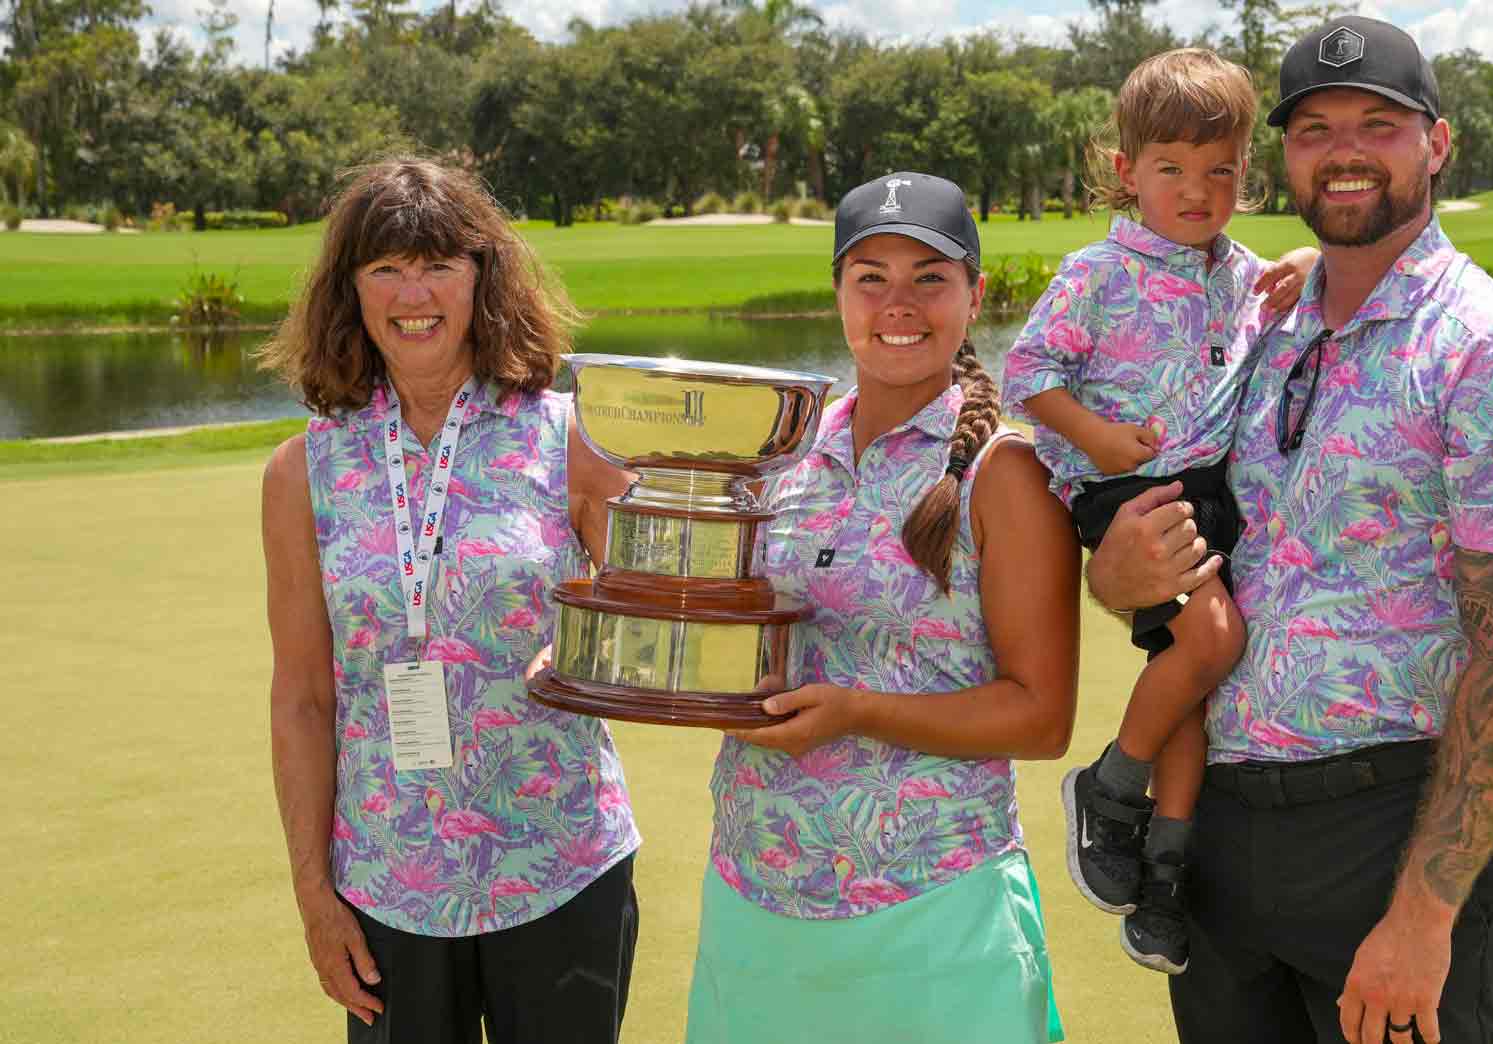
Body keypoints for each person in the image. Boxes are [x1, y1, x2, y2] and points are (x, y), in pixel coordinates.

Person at [1083, 17, 1493, 1044]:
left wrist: (1421, 916)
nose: (1345, 151)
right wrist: (1113, 579)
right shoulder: (1262, 324)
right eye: (1314, 128)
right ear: (1285, 154)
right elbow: (1170, 522)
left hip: (1390, 836)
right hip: (1223, 839)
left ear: (1436, 143)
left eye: (1378, 123)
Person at [685, 172, 1081, 1043]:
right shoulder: (783, 450)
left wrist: (857, 713)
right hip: (759, 894)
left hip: (934, 908)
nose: (898, 303)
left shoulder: (1003, 474)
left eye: (929, 278)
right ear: (838, 293)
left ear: (975, 296)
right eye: (871, 277)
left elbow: (1041, 717)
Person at [259, 158, 641, 1043]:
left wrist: (589, 641)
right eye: (385, 268)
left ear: (482, 275)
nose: (413, 292)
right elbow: (303, 695)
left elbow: (648, 608)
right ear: (350, 291)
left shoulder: (570, 435)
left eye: (438, 263)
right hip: (386, 887)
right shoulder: (301, 472)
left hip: (561, 867)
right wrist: (314, 893)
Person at [1001, 47, 1317, 976]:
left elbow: (1304, 289)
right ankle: (1110, 787)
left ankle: (1165, 877)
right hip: (1128, 492)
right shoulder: (1097, 272)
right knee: (1214, 642)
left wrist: (1305, 255)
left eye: (1220, 171)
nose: (1198, 190)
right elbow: (1028, 376)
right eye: (1172, 169)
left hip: (1208, 492)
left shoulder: (1240, 271)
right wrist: (1095, 437)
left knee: (1194, 685)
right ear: (1125, 171)